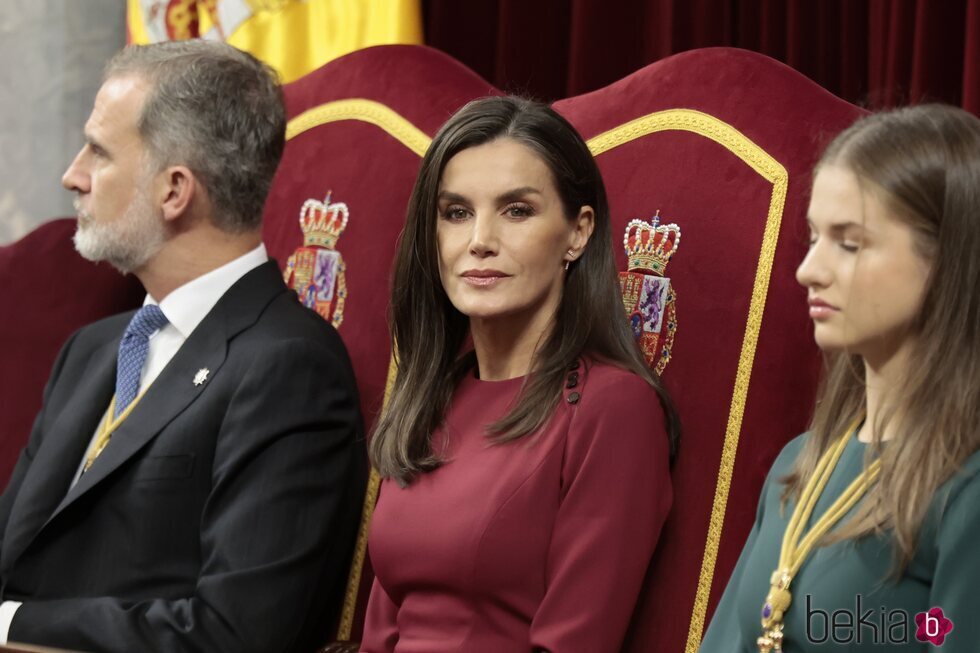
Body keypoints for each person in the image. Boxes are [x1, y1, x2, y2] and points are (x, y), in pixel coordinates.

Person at [0, 41, 366, 653]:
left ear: (175, 190)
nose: (74, 175)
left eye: (99, 151)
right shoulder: (92, 349)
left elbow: (237, 632)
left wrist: (9, 626)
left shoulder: (288, 367)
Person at [359, 96, 679, 653]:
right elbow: (381, 632)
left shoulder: (613, 408)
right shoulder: (430, 397)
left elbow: (576, 643)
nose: (479, 239)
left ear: (578, 233)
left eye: (516, 210)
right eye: (456, 213)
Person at [699, 104, 980, 652]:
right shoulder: (801, 462)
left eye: (848, 244)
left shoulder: (964, 491)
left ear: (948, 260)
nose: (809, 270)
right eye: (813, 238)